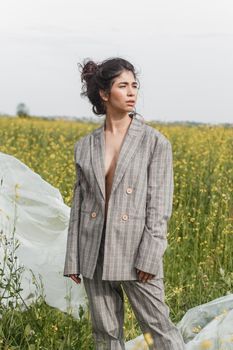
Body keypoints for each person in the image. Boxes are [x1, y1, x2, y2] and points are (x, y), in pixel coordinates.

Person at [63, 57, 185, 349]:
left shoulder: (155, 142)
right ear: (105, 94)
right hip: (93, 251)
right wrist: (73, 258)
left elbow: (159, 207)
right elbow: (79, 204)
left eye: (134, 86)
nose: (132, 92)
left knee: (159, 330)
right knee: (105, 333)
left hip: (136, 252)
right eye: (122, 86)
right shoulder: (85, 146)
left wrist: (151, 254)